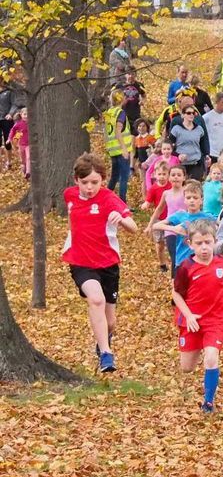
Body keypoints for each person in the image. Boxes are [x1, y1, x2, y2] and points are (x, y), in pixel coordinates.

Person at [63, 153, 140, 373]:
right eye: (84, 182)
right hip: (80, 261)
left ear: (103, 180)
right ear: (76, 180)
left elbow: (134, 228)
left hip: (108, 264)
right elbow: (73, 219)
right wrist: (71, 238)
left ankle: (103, 341)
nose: (89, 187)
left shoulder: (109, 199)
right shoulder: (69, 195)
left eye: (94, 182)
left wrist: (122, 220)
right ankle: (106, 355)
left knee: (111, 321)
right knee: (95, 300)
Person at [172, 220, 223, 412]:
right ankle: (200, 346)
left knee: (211, 357)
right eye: (199, 243)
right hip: (192, 321)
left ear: (215, 241)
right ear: (190, 244)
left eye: (208, 242)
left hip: (216, 321)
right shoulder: (185, 267)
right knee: (187, 367)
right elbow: (176, 294)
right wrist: (189, 315)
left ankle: (208, 402)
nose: (204, 247)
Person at [102, 89, 133, 202]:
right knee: (123, 177)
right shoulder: (120, 113)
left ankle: (104, 199)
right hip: (121, 149)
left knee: (114, 176)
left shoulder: (109, 112)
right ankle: (122, 203)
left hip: (112, 149)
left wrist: (107, 146)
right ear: (121, 99)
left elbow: (105, 131)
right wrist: (124, 149)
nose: (126, 98)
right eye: (124, 96)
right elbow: (118, 130)